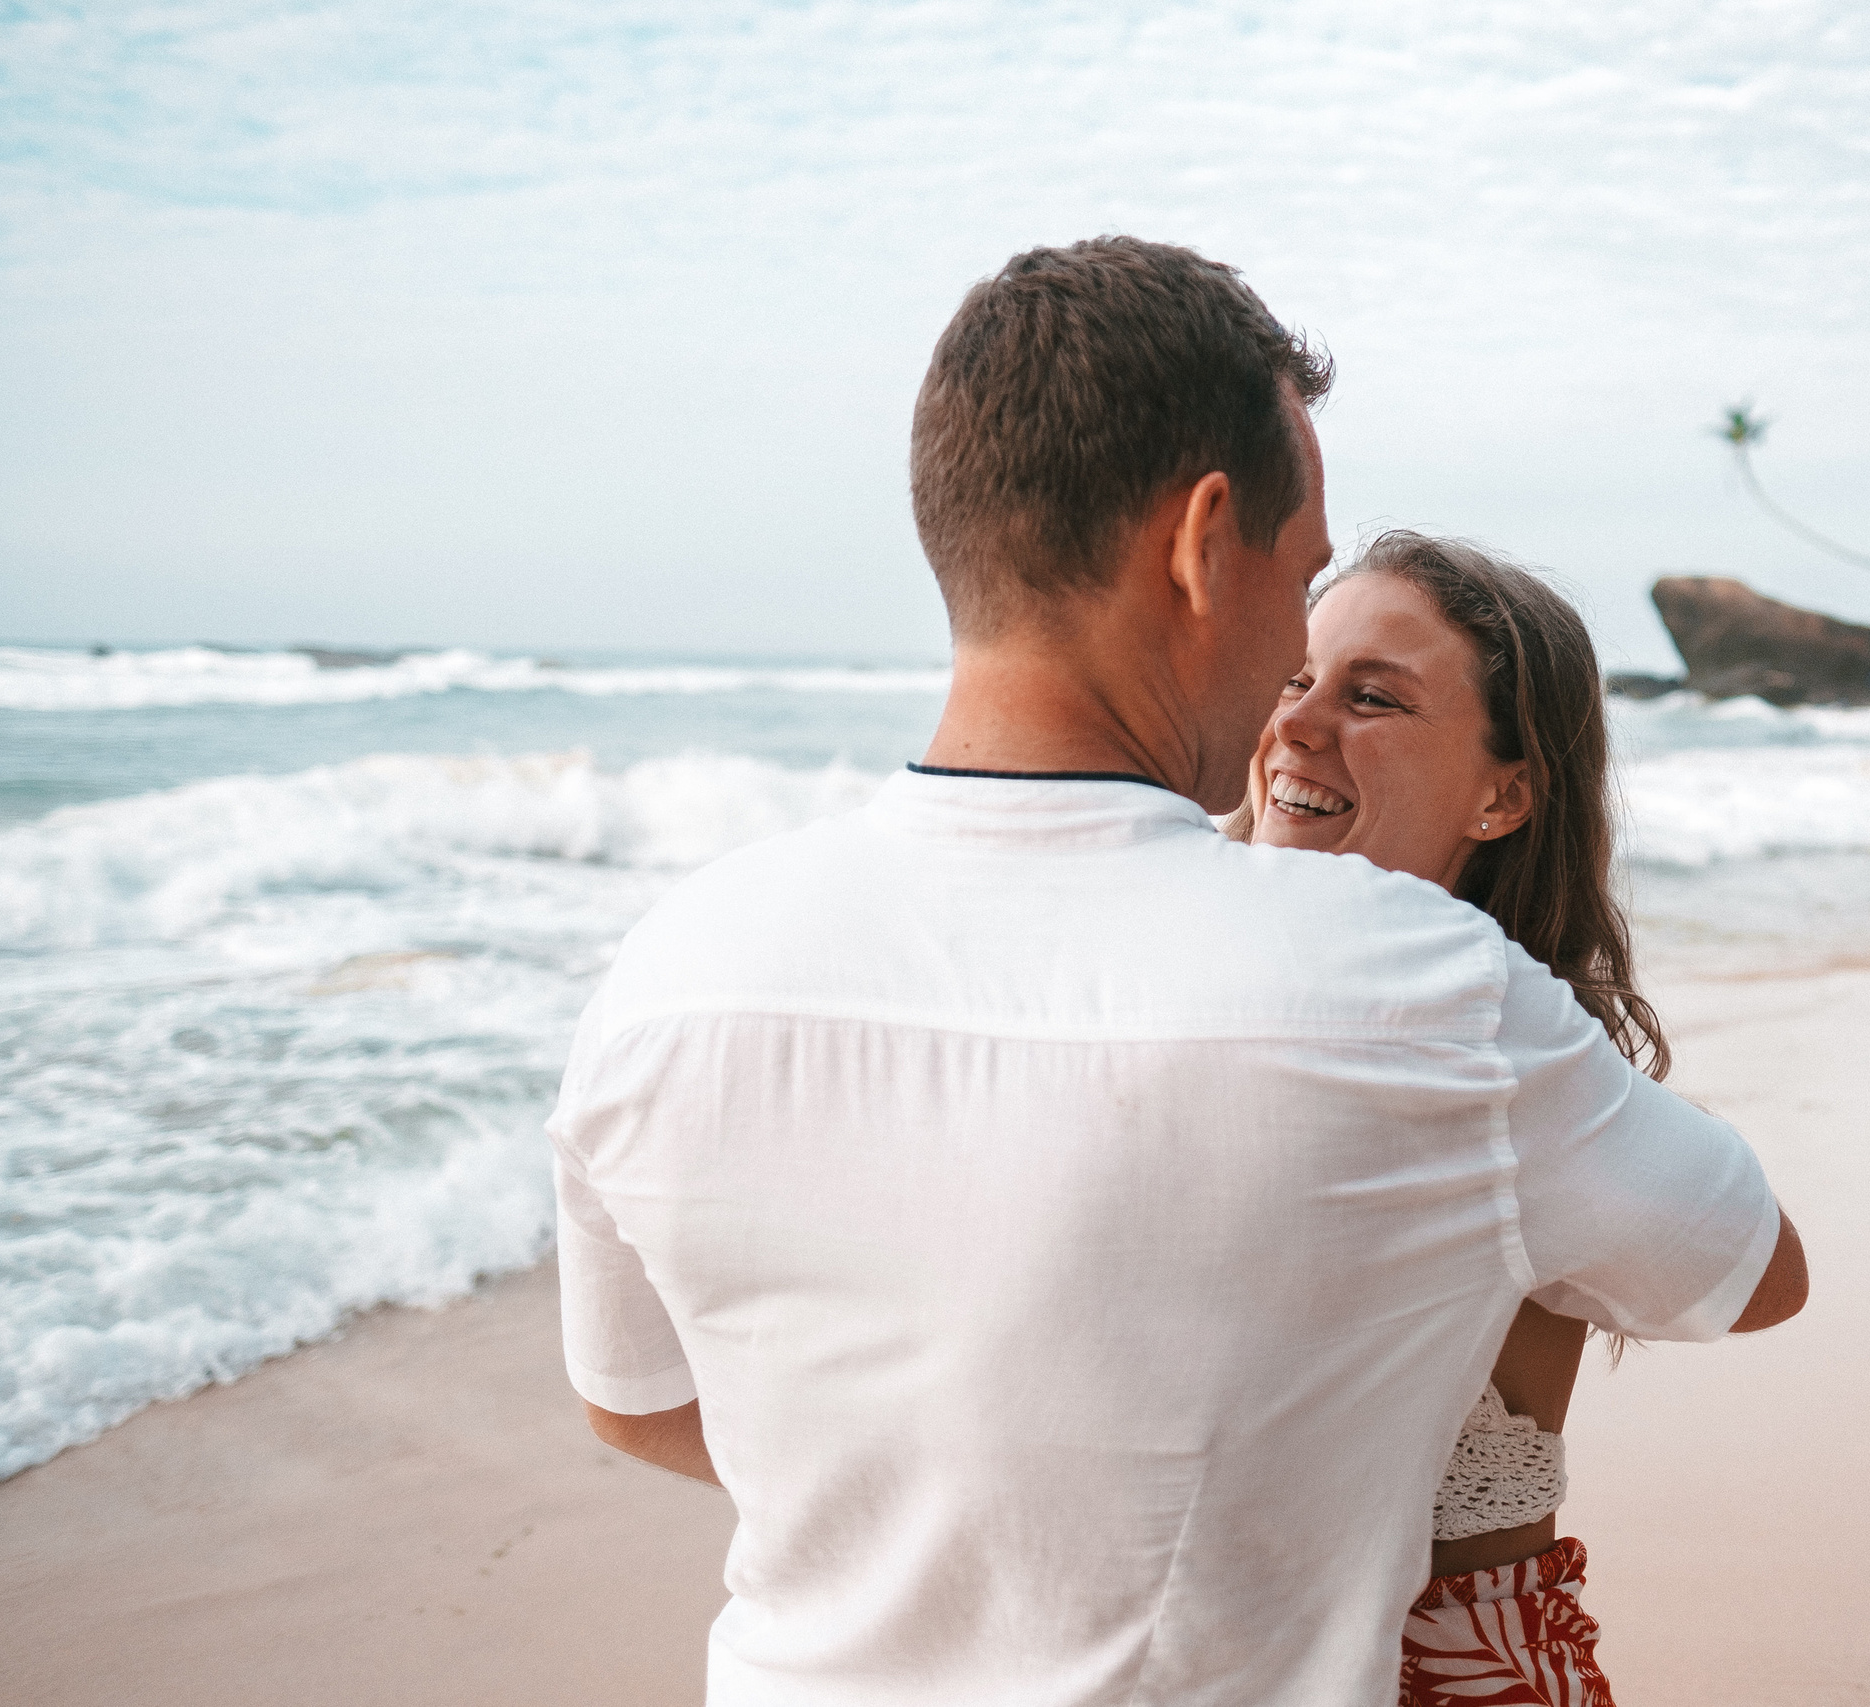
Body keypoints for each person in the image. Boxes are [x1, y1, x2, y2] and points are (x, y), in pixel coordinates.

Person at [549, 236, 1804, 1705]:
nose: (1295, 687)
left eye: (1370, 686)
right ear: (1209, 541)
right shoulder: (1415, 996)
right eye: (1303, 578)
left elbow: (635, 1401)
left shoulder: (668, 974)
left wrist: (963, 1497)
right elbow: (1746, 1265)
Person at [1231, 531, 1804, 1705]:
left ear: (1504, 793)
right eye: (1293, 678)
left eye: (1372, 697)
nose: (1296, 722)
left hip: (1445, 1663)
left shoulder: (1497, 1048)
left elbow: (1767, 1279)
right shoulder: (1177, 987)